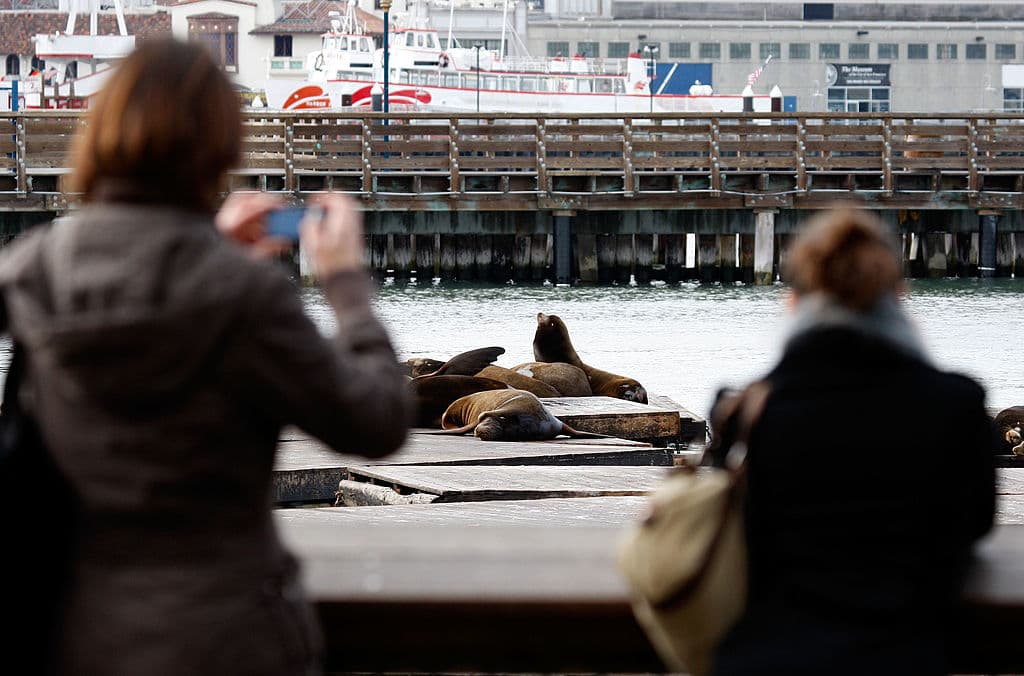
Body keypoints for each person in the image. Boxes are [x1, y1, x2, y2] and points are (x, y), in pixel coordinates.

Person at [0, 38, 411, 675]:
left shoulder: (35, 268)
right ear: (218, 145)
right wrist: (347, 286)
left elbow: (136, 285)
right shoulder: (245, 296)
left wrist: (200, 247)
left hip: (80, 632)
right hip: (231, 633)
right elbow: (377, 419)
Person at [707, 207, 996, 676]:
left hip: (766, 657)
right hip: (905, 657)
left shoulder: (745, 413)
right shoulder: (957, 405)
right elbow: (975, 524)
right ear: (899, 298)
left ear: (794, 303)